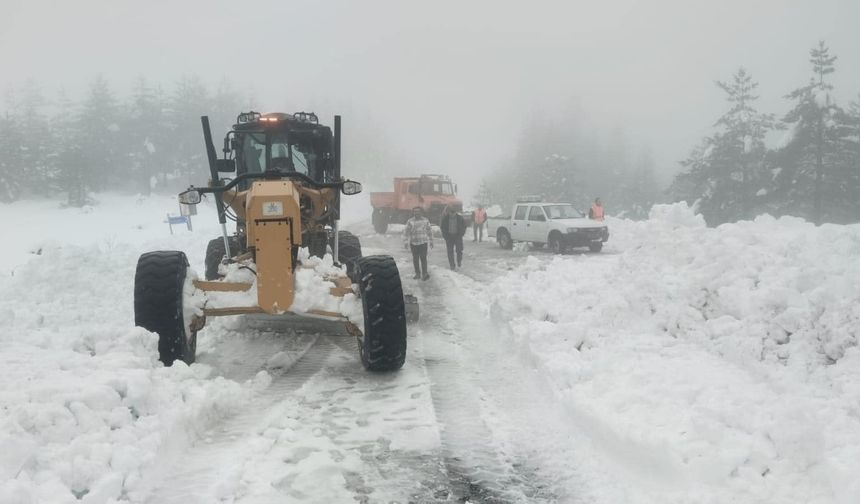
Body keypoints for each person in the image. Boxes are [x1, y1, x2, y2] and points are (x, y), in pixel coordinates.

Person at [403, 207, 433, 280]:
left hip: (423, 242)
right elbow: (406, 232)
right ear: (413, 213)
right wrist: (405, 242)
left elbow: (429, 231)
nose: (416, 213)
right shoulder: (410, 221)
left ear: (421, 212)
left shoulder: (426, 220)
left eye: (418, 211)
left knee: (423, 258)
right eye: (415, 212)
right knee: (415, 259)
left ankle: (425, 274)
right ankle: (417, 274)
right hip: (414, 243)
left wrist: (431, 241)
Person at [440, 205, 467, 270]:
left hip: (457, 236)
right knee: (450, 251)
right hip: (449, 237)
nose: (452, 215)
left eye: (453, 213)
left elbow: (464, 226)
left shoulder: (460, 218)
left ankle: (459, 261)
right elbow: (442, 227)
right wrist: (445, 236)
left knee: (459, 250)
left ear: (455, 212)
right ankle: (452, 265)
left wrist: (461, 234)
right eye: (451, 213)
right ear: (449, 212)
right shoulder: (445, 218)